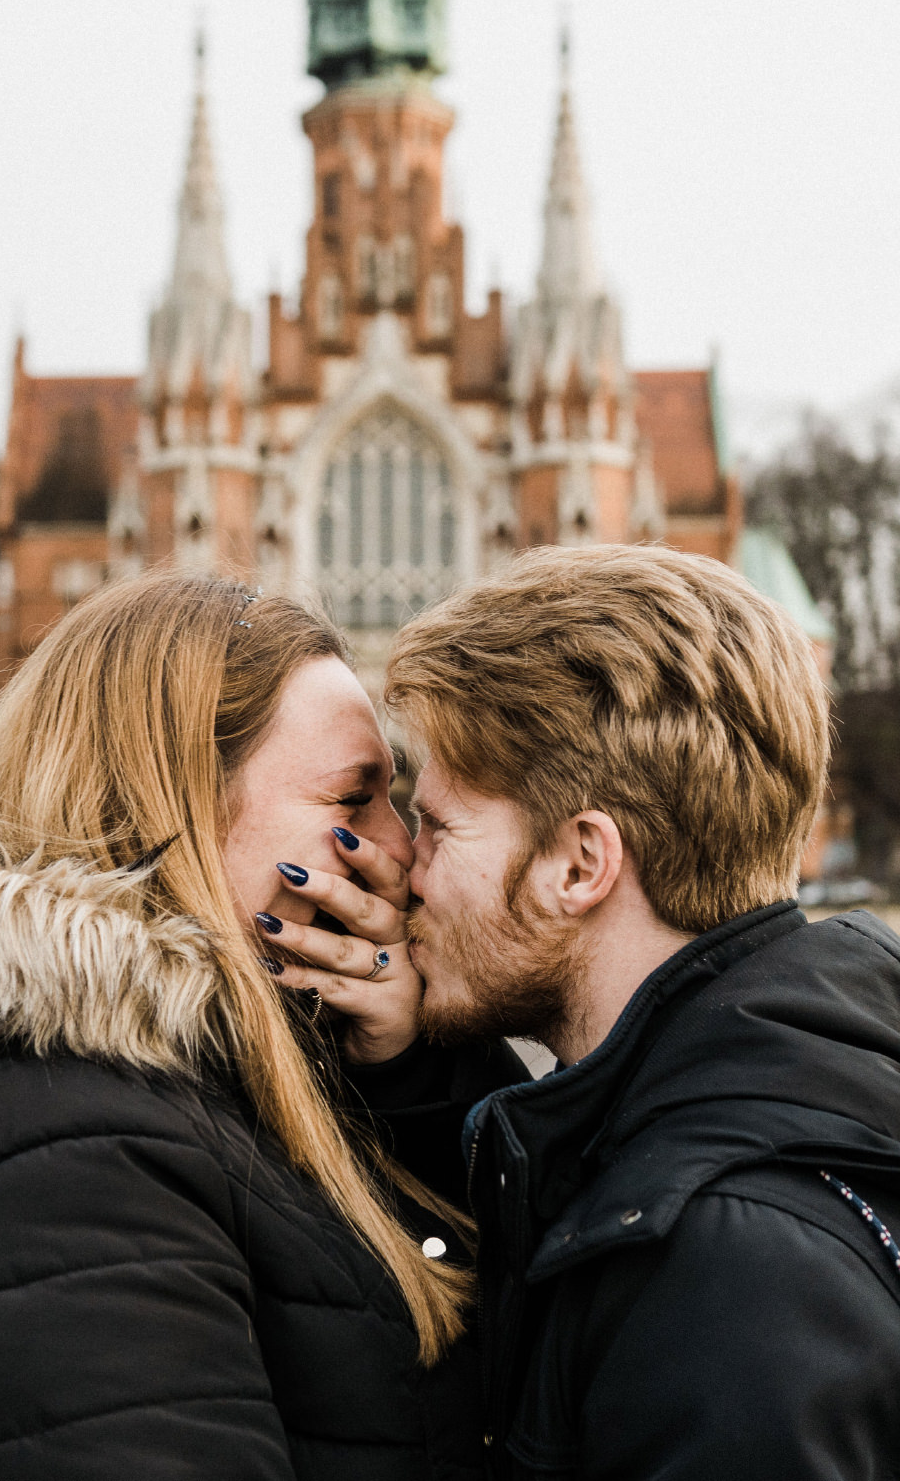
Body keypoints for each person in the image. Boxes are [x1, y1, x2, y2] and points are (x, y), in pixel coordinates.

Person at [0, 572, 524, 1481]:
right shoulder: (53, 1138)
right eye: (354, 801)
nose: (400, 850)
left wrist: (418, 1075)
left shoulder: (252, 1061)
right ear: (174, 805)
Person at [376, 543, 900, 1479]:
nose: (401, 869)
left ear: (581, 864)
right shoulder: (798, 1085)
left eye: (437, 825)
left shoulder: (730, 1280)